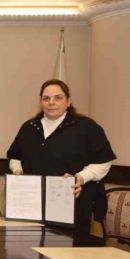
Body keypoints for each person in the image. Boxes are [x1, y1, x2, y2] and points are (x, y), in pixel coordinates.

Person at [7, 79, 115, 233]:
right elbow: (15, 157)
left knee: (68, 247)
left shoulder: (86, 127)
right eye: (46, 98)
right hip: (31, 208)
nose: (51, 102)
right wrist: (18, 172)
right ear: (41, 102)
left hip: (73, 206)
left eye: (58, 98)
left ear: (68, 101)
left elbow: (104, 161)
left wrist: (81, 177)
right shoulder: (29, 128)